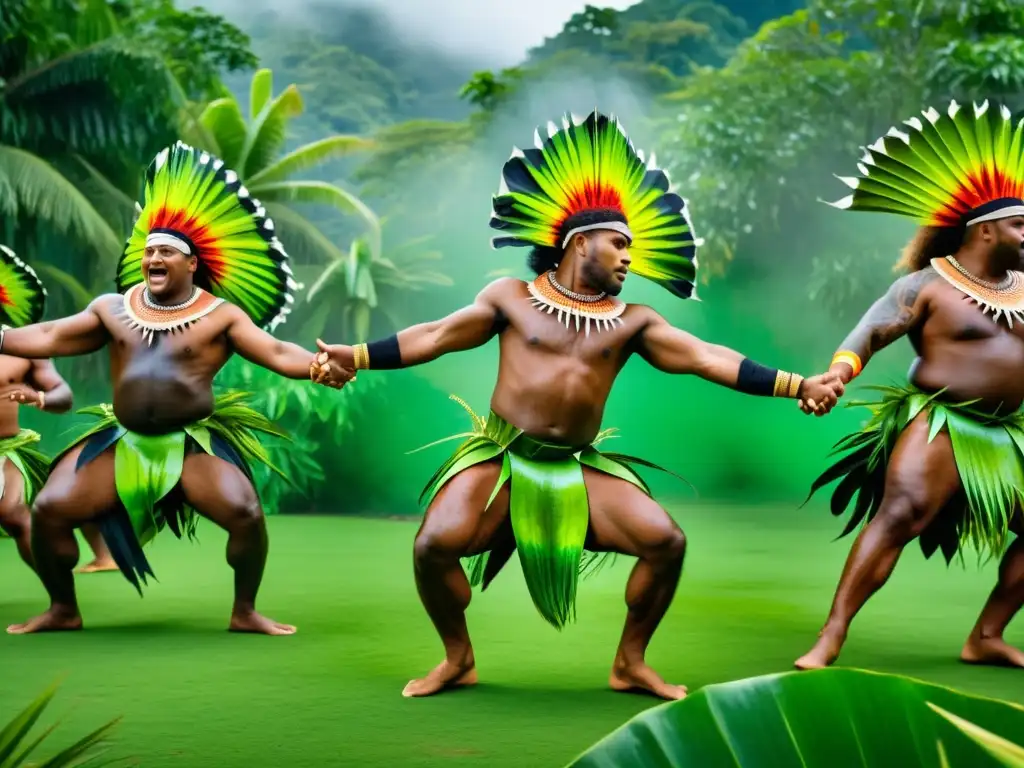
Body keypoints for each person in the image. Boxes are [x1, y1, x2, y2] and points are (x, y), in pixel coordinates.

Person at [313, 110, 845, 699]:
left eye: (632, 248)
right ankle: (457, 658)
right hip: (502, 459)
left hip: (577, 468)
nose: (627, 257)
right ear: (579, 242)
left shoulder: (634, 321)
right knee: (433, 546)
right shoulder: (510, 299)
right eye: (618, 244)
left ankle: (630, 663)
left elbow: (707, 358)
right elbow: (435, 336)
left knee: (665, 542)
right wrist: (356, 355)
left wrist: (800, 384)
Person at [4, 141, 350, 636]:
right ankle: (63, 609)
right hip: (123, 440)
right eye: (148, 252)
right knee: (50, 509)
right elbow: (49, 335)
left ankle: (245, 611)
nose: (153, 258)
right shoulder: (112, 308)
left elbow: (276, 353)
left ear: (191, 264)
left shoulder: (221, 315)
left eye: (165, 251)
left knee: (246, 514)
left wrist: (319, 365)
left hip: (192, 443)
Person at [796, 99, 1024, 671]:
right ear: (987, 228)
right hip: (943, 423)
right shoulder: (927, 284)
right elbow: (869, 333)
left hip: (1010, 432)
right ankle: (831, 636)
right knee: (899, 515)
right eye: (1021, 224)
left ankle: (986, 636)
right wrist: (837, 375)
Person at [0, 245, 74, 568]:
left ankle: (61, 598)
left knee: (13, 514)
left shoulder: (25, 348)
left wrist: (39, 398)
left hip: (8, 450)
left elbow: (62, 394)